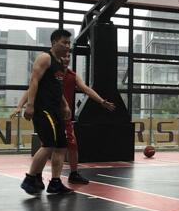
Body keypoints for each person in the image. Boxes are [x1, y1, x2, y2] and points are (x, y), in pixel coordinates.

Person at [13, 53, 116, 184]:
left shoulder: (72, 76)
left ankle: (68, 175)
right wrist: (20, 106)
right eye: (64, 56)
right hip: (49, 114)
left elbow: (86, 89)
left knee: (68, 144)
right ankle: (37, 176)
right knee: (48, 146)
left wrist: (101, 101)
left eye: (68, 57)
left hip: (63, 116)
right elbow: (31, 88)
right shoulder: (49, 73)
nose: (66, 59)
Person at [19, 29, 73, 195]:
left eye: (69, 43)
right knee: (48, 145)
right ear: (54, 42)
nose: (67, 46)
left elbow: (56, 87)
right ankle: (30, 178)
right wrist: (30, 105)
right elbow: (34, 81)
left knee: (61, 146)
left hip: (56, 110)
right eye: (64, 42)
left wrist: (65, 105)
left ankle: (55, 182)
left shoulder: (60, 63)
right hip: (43, 109)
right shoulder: (45, 58)